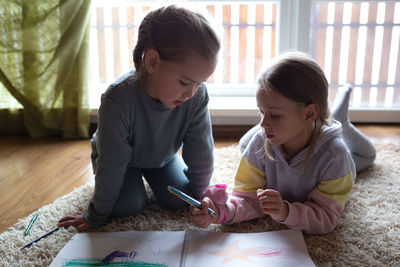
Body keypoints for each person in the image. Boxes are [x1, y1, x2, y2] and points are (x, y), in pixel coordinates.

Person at [58, 5, 220, 231]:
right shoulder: (117, 100)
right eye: (184, 82)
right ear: (153, 62)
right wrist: (95, 215)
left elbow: (201, 152)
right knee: (128, 206)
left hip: (163, 157)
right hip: (121, 160)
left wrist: (200, 196)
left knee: (179, 200)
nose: (192, 92)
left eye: (200, 83)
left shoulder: (196, 97)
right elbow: (112, 165)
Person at [190, 52, 376, 234]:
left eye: (274, 114)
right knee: (247, 143)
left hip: (342, 162)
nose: (263, 123)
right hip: (291, 137)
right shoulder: (260, 142)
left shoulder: (335, 158)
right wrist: (219, 212)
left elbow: (326, 219)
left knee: (366, 156)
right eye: (261, 112)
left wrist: (286, 212)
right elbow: (246, 199)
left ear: (309, 113)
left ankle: (341, 120)